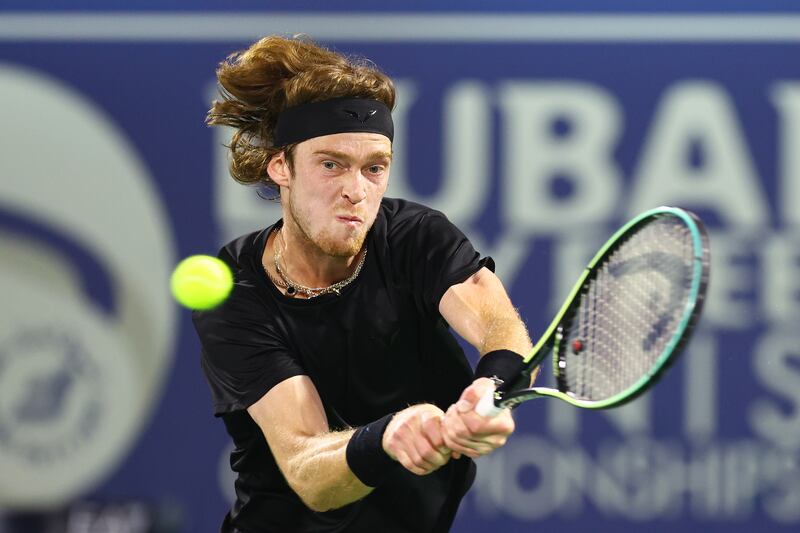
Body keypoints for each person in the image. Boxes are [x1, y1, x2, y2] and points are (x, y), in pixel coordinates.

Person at [193, 35, 534, 533]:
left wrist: (492, 388)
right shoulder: (234, 288)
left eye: (374, 168)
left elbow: (499, 324)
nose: (355, 190)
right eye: (331, 165)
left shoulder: (416, 238)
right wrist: (388, 438)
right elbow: (309, 471)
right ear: (280, 167)